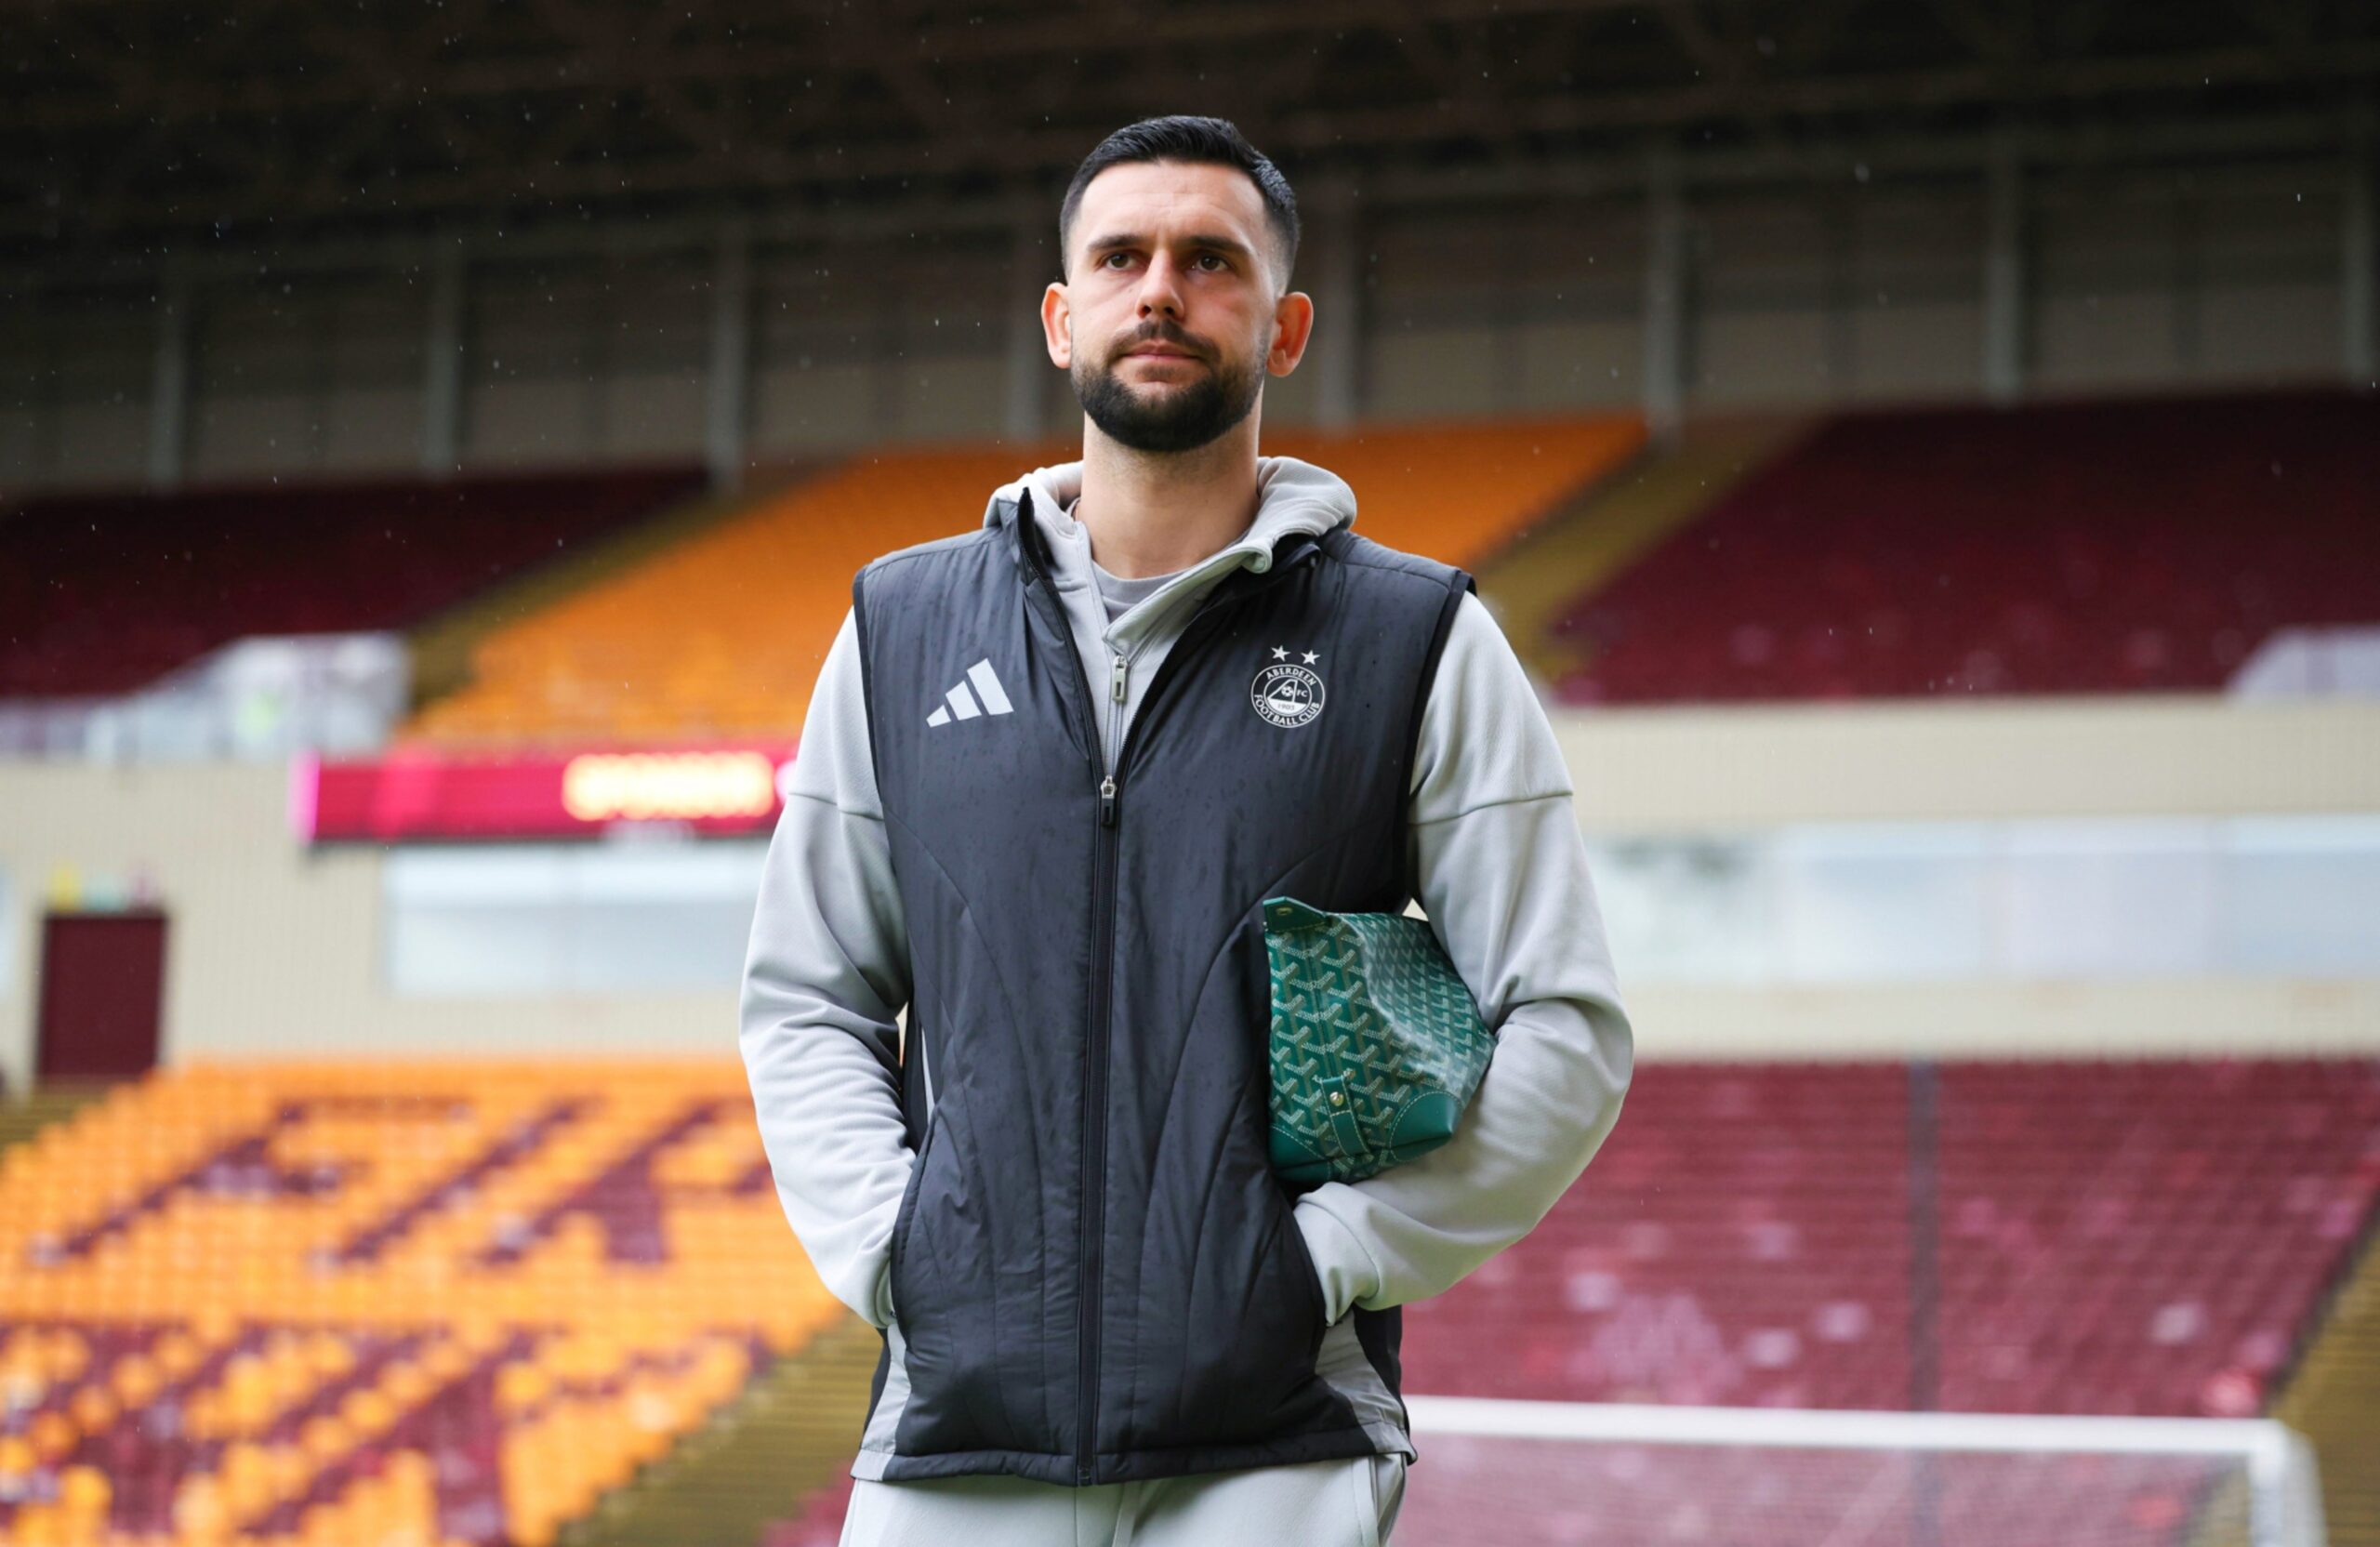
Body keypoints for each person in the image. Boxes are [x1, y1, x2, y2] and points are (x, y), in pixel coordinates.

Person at [739, 114, 1632, 1547]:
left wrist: (1325, 1261)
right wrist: (901, 1256)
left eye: (1210, 261)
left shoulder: (1419, 639)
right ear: (1060, 318)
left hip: (1270, 1439)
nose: (1161, 289)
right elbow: (807, 998)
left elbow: (1566, 1030)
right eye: (1122, 257)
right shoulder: (899, 632)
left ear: (1283, 331)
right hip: (957, 1440)